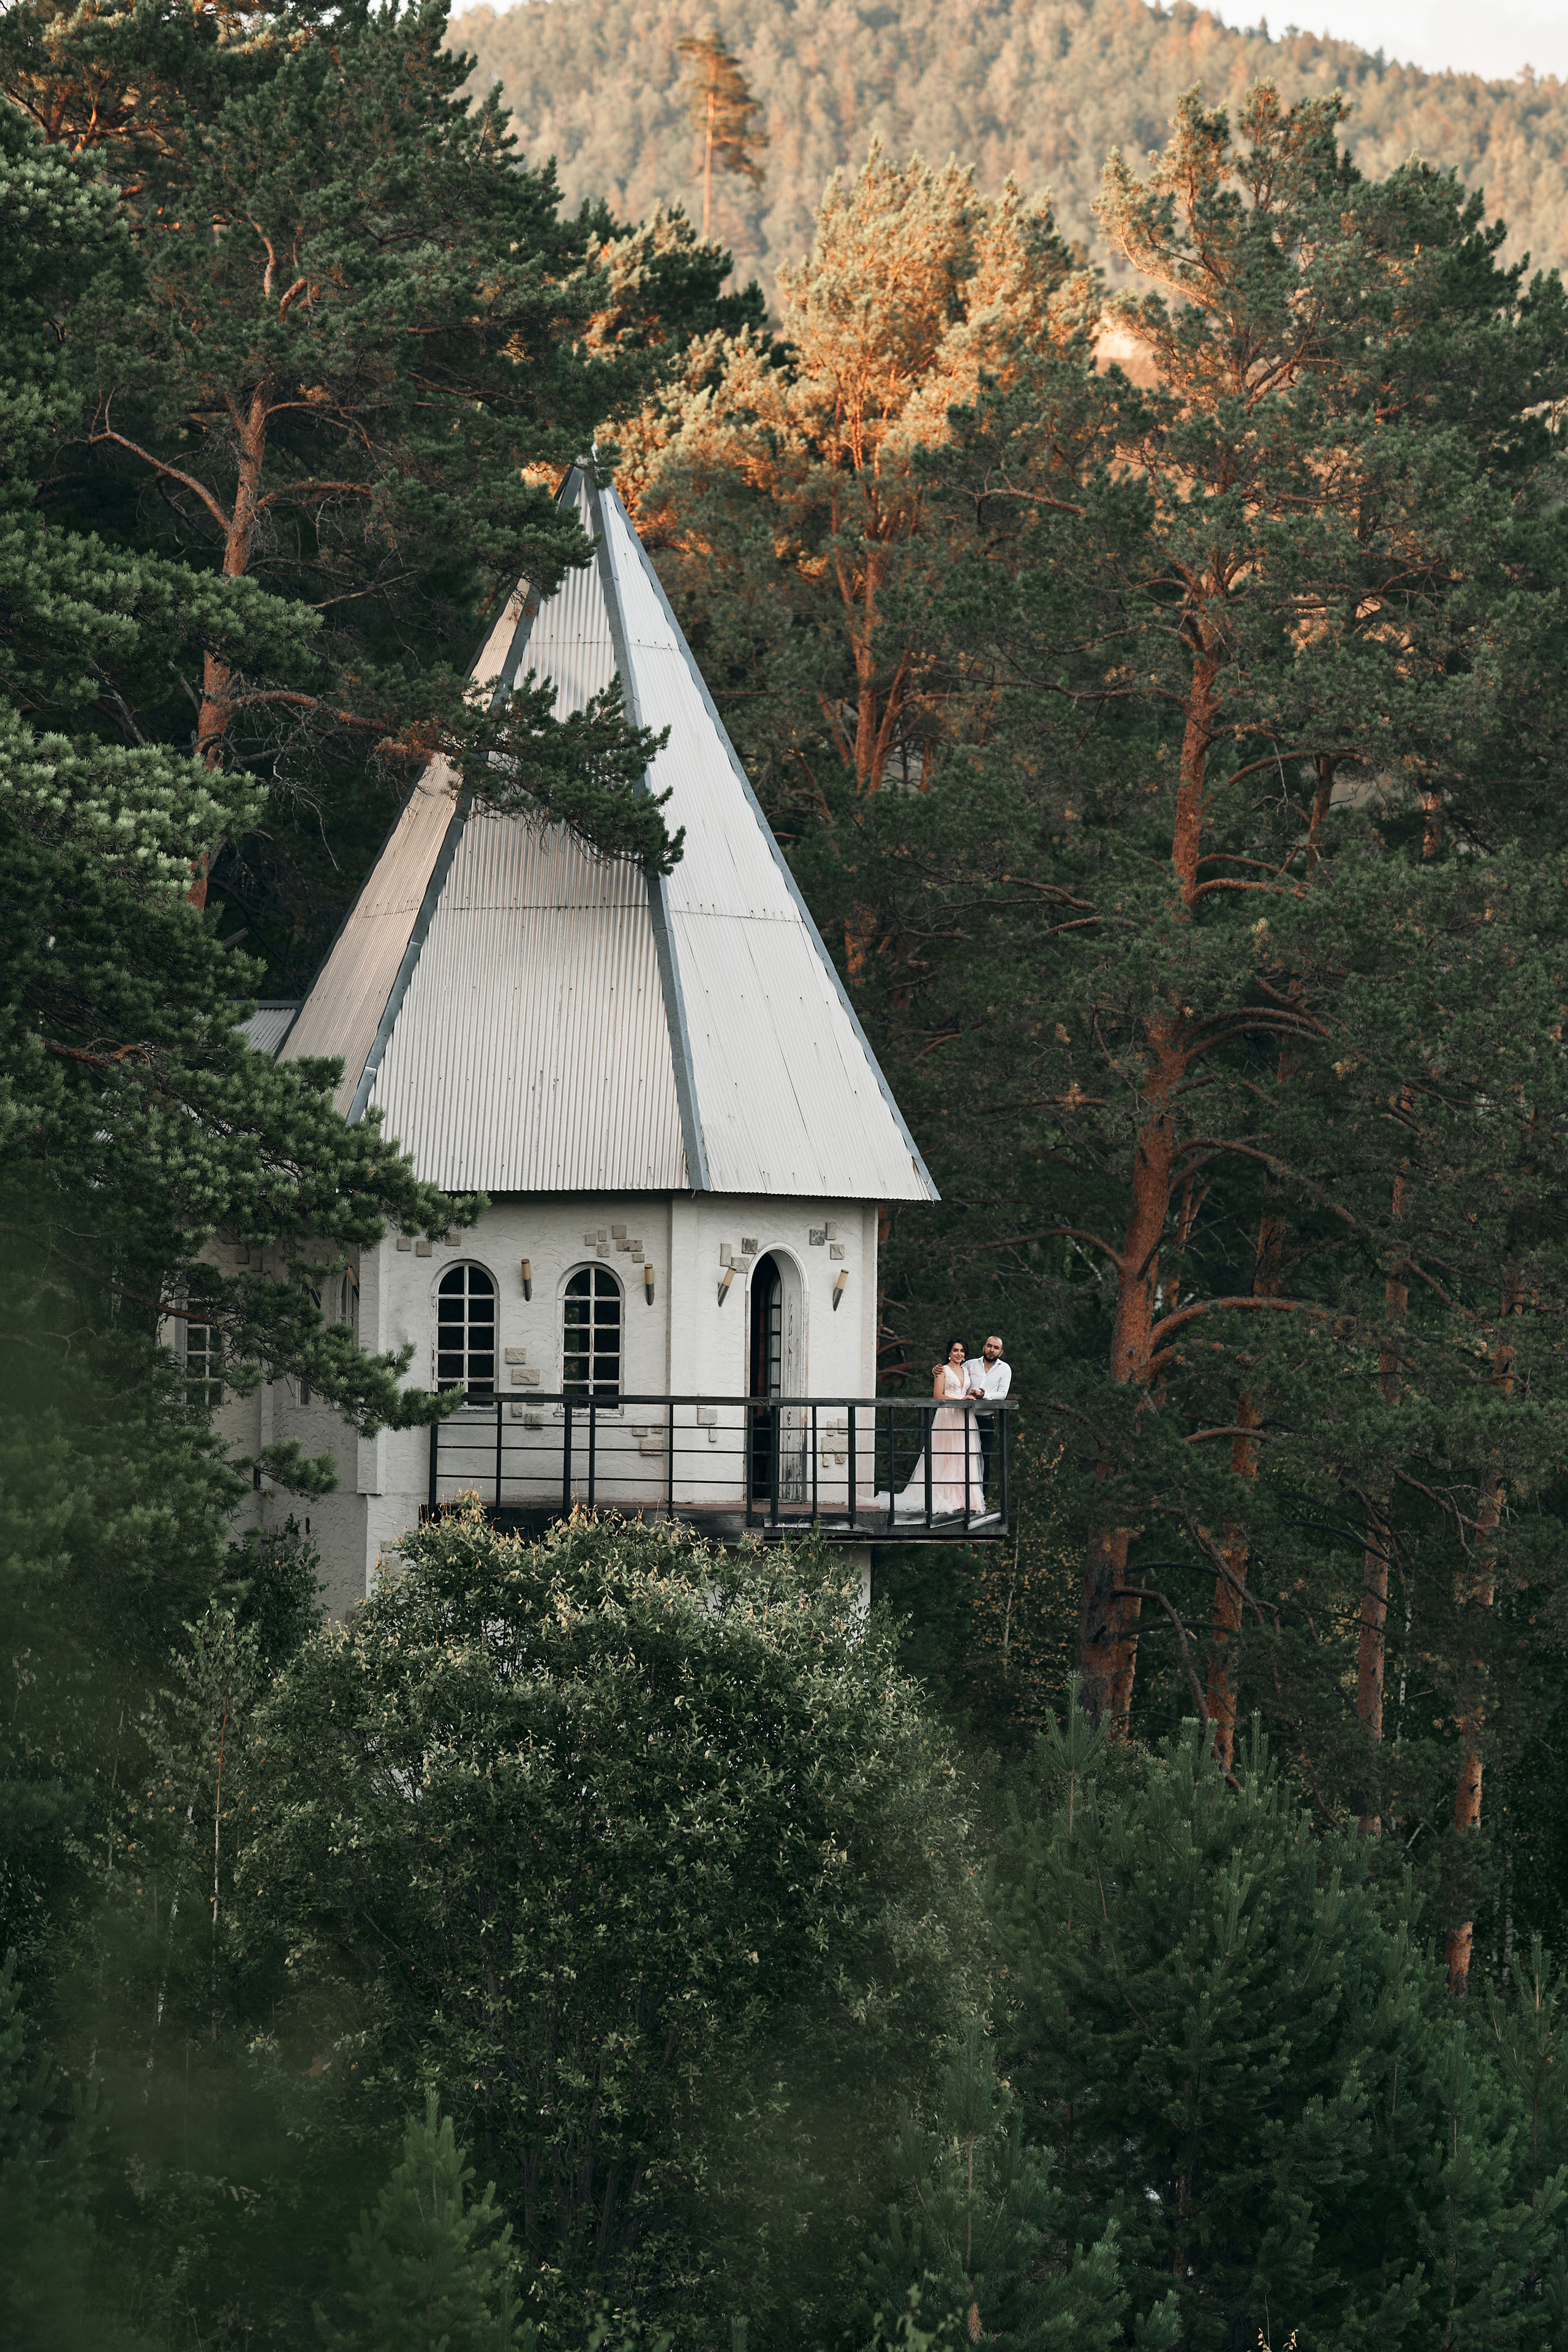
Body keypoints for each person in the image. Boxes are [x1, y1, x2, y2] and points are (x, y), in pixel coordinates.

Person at [874, 1338, 988, 1519]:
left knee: (964, 1455)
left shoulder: (966, 1371)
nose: (959, 1354)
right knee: (946, 1455)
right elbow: (938, 1396)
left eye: (962, 1351)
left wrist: (971, 1396)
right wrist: (960, 1401)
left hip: (964, 1418)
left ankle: (963, 1497)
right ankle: (945, 1496)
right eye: (955, 1350)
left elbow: (967, 1390)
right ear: (949, 1353)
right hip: (947, 1417)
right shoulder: (943, 1370)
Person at [963, 1335, 1011, 1496]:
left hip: (986, 1420)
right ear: (984, 1347)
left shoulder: (1005, 1369)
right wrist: (935, 1370)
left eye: (996, 1348)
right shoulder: (969, 1364)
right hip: (964, 1419)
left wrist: (985, 1396)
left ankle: (980, 1498)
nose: (992, 1350)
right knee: (961, 1458)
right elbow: (953, 1376)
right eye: (989, 1346)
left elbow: (1002, 1394)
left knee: (984, 1459)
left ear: (1001, 1352)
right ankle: (961, 1497)